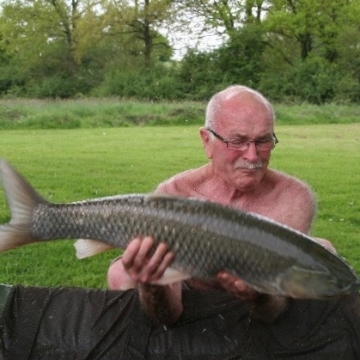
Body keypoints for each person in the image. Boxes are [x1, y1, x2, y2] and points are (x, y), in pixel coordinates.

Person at [107, 85, 335, 325]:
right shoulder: (175, 194)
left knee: (324, 254)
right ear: (207, 141)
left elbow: (276, 309)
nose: (252, 156)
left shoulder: (292, 198)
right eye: (238, 141)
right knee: (120, 273)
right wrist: (152, 283)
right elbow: (169, 314)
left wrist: (260, 294)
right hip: (189, 295)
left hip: (263, 310)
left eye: (263, 141)